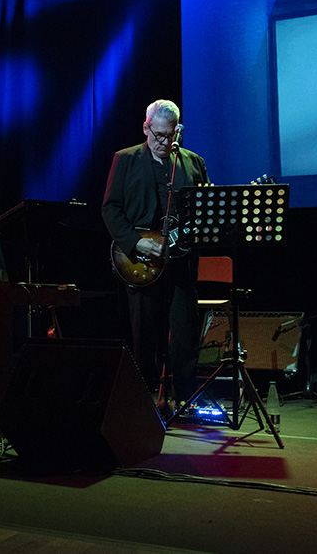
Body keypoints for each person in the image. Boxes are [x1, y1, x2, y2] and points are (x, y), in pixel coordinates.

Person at [102, 100, 210, 413]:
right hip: (140, 261)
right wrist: (135, 243)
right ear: (146, 128)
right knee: (144, 334)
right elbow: (110, 207)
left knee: (184, 333)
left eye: (170, 135)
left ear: (179, 130)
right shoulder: (125, 159)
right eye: (158, 135)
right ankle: (143, 400)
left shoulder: (194, 163)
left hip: (182, 261)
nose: (164, 142)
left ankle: (186, 397)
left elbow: (202, 212)